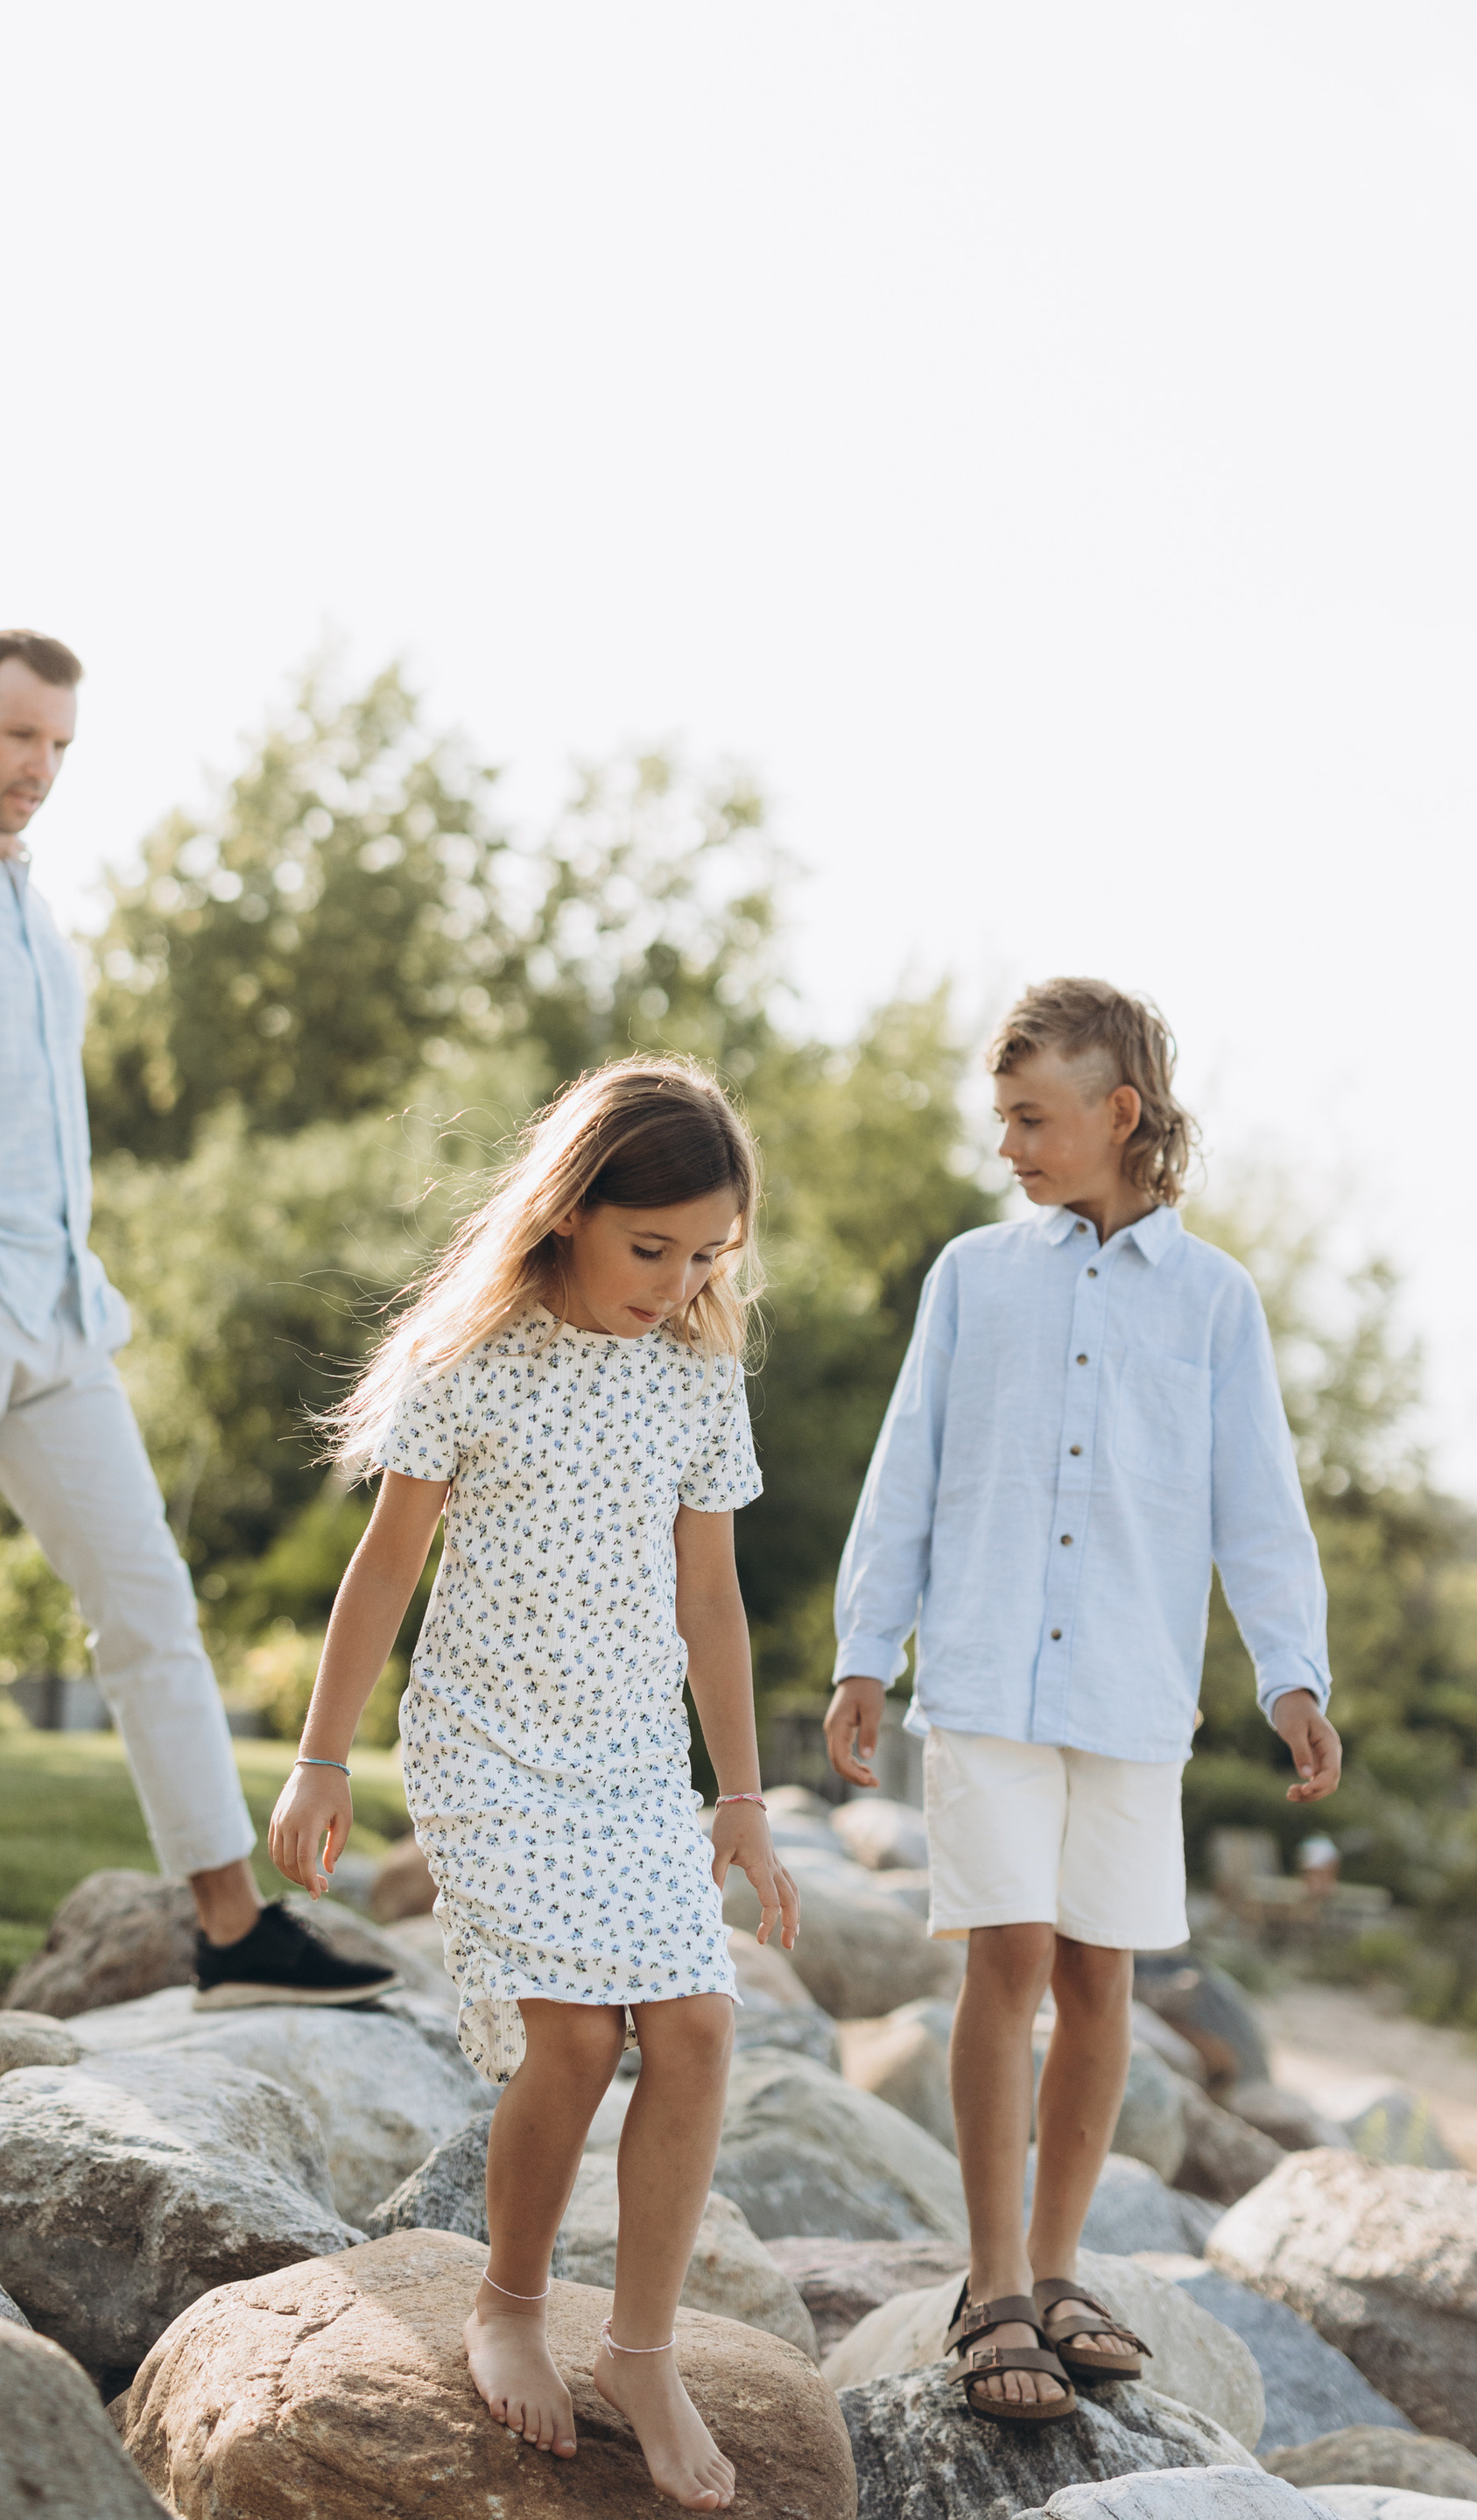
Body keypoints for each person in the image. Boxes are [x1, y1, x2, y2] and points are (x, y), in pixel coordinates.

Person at [0, 628, 394, 2031]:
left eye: (57, 746)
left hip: (55, 1311)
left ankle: (231, 1923)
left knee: (150, 1604)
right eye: (16, 738)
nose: (37, 767)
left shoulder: (33, 914)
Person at [270, 1058, 798, 2513]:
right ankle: (508, 2298)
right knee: (570, 2042)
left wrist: (739, 1798)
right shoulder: (472, 1360)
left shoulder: (696, 1377)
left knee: (694, 2025)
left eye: (705, 1255)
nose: (678, 1279)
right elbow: (384, 1571)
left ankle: (639, 2347)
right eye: (652, 1247)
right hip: (488, 1750)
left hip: (631, 1761)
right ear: (570, 1209)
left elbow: (713, 1604)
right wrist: (322, 1756)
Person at [826, 976, 1339, 2428]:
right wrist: (870, 1648)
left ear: (1120, 1114)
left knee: (1102, 1979)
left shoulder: (1215, 1302)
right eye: (1001, 1120)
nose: (1011, 1146)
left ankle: (1057, 2272)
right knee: (1007, 1962)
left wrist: (1289, 1674)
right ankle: (990, 2283)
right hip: (986, 1675)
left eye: (1034, 1118)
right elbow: (906, 1466)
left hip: (1130, 1693)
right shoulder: (973, 1277)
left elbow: (1260, 1506)